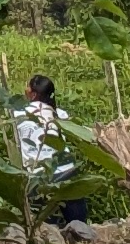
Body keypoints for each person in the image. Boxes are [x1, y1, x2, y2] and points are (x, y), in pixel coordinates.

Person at [16, 73, 92, 232]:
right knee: (79, 225)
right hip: (66, 171)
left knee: (46, 229)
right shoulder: (60, 114)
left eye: (28, 86)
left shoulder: (18, 114)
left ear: (33, 93)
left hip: (38, 176)